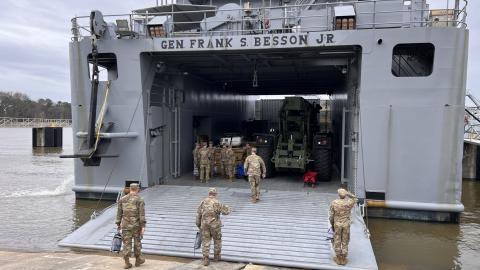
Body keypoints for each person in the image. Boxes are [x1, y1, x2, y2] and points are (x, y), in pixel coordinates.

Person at [196, 188, 231, 266]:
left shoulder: (203, 202)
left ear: (209, 193)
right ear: (215, 194)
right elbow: (226, 212)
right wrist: (228, 207)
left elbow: (198, 214)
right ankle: (216, 257)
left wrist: (198, 224)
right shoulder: (217, 202)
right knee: (217, 240)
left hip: (204, 225)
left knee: (205, 241)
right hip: (215, 225)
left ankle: (205, 258)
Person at [115, 183, 146, 269]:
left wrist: (118, 224)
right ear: (137, 189)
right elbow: (142, 215)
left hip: (125, 225)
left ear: (130, 189)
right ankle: (138, 259)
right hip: (136, 226)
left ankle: (127, 262)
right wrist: (143, 226)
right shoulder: (140, 199)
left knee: (126, 244)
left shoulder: (122, 199)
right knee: (137, 243)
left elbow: (119, 213)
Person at [329, 188, 357, 265]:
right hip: (346, 224)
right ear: (345, 195)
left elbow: (331, 216)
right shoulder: (349, 203)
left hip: (337, 224)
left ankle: (338, 258)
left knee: (337, 239)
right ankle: (344, 258)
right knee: (345, 239)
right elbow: (355, 198)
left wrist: (332, 224)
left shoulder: (334, 202)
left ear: (338, 195)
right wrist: (347, 193)